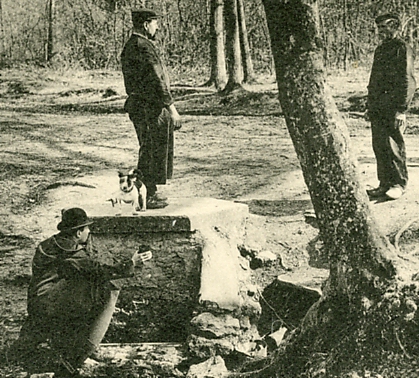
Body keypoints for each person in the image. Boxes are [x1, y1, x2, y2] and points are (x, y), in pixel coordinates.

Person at [10, 207, 152, 378]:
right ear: (78, 233)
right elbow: (99, 270)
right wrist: (132, 262)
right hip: (51, 306)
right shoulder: (74, 253)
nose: (89, 231)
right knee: (107, 288)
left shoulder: (47, 245)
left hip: (35, 303)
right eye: (86, 228)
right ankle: (82, 351)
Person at [121, 8, 182, 209]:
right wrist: (172, 108)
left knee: (149, 148)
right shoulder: (143, 46)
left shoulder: (132, 45)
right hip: (150, 108)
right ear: (146, 25)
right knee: (152, 150)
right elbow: (157, 80)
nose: (157, 27)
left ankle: (145, 192)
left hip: (140, 106)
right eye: (155, 23)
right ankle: (146, 195)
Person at [366, 13, 416, 200]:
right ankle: (384, 183)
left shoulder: (402, 48)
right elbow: (374, 79)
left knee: (393, 145)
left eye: (384, 27)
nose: (380, 31)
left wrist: (402, 109)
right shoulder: (380, 50)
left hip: (393, 106)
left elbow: (408, 80)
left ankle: (398, 184)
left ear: (395, 27)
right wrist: (370, 105)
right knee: (379, 146)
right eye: (379, 28)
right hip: (378, 106)